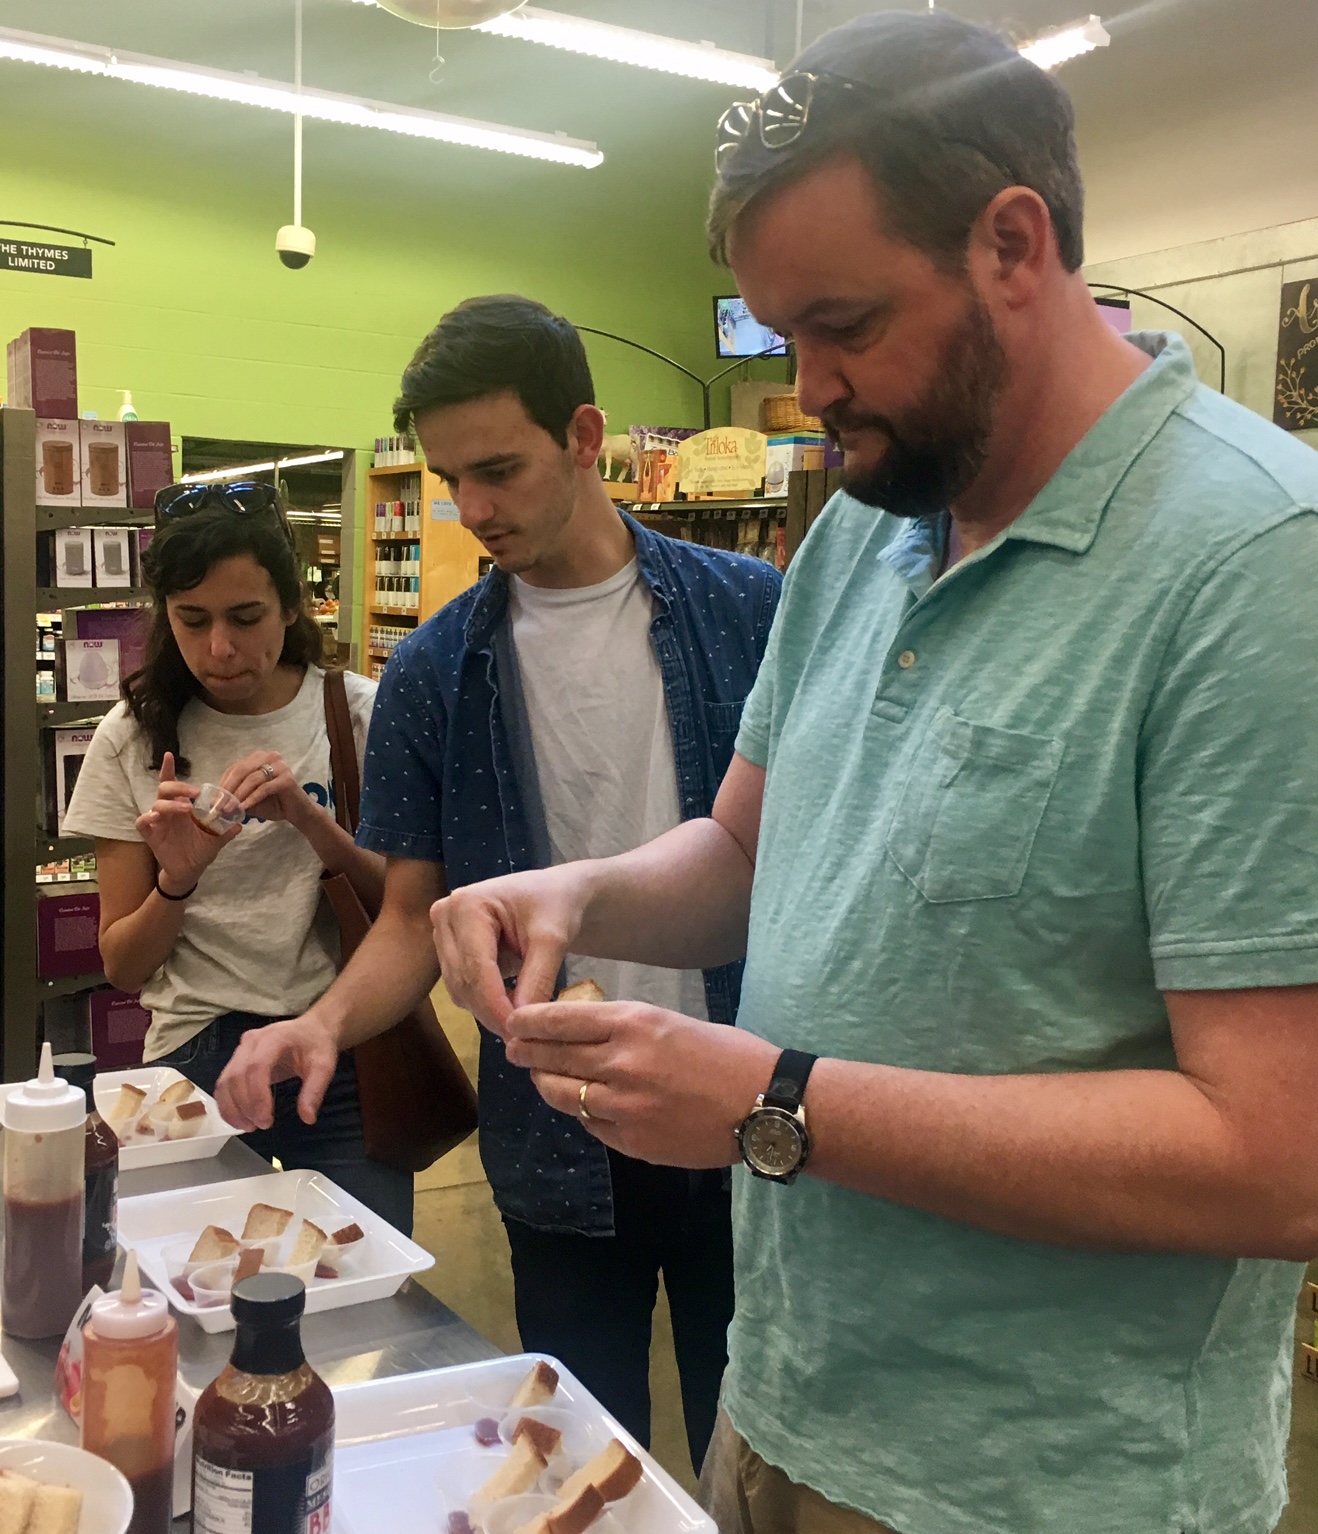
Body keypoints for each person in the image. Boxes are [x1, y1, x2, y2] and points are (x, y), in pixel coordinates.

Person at [430, 13, 1318, 1534]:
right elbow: (742, 847)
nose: (810, 385)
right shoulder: (864, 525)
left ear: (1012, 243)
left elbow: (1275, 1155)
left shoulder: (1255, 570)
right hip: (778, 1410)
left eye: (842, 322)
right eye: (781, 333)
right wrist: (571, 884)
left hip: (1040, 1488)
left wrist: (775, 1099)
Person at [215, 295, 782, 1470]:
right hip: (558, 1126)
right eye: (449, 478)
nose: (473, 511)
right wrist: (319, 1024)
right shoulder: (433, 669)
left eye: (501, 471)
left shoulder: (752, 615)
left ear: (585, 436)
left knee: (760, 1450)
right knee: (572, 1449)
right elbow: (415, 913)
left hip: (749, 1105)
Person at [63, 482, 412, 1234]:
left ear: (292, 606)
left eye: (246, 617)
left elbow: (408, 913)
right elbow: (122, 965)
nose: (220, 649)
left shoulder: (358, 713)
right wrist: (178, 878)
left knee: (356, 1276)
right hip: (195, 1048)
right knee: (185, 1279)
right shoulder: (131, 737)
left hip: (341, 1043)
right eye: (192, 622)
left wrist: (313, 824)